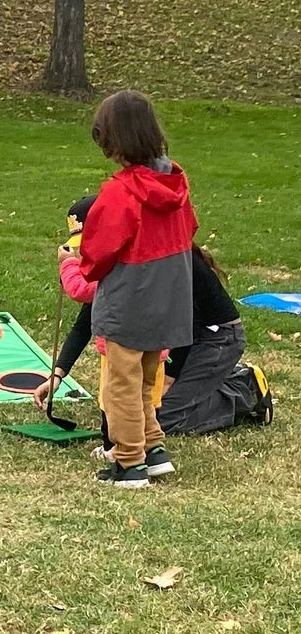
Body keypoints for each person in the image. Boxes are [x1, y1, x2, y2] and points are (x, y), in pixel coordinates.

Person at [42, 196, 270, 448]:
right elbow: (89, 318)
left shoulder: (160, 259)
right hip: (177, 337)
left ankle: (245, 389)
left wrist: (170, 377)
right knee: (139, 411)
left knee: (162, 419)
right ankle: (208, 383)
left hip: (214, 338)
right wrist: (58, 374)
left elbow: (185, 322)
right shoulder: (118, 260)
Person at [68, 90, 197, 490]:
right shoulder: (175, 181)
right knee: (145, 378)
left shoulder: (120, 193)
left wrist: (77, 265)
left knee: (120, 384)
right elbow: (190, 229)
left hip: (130, 299)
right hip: (170, 296)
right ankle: (153, 449)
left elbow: (98, 249)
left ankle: (129, 462)